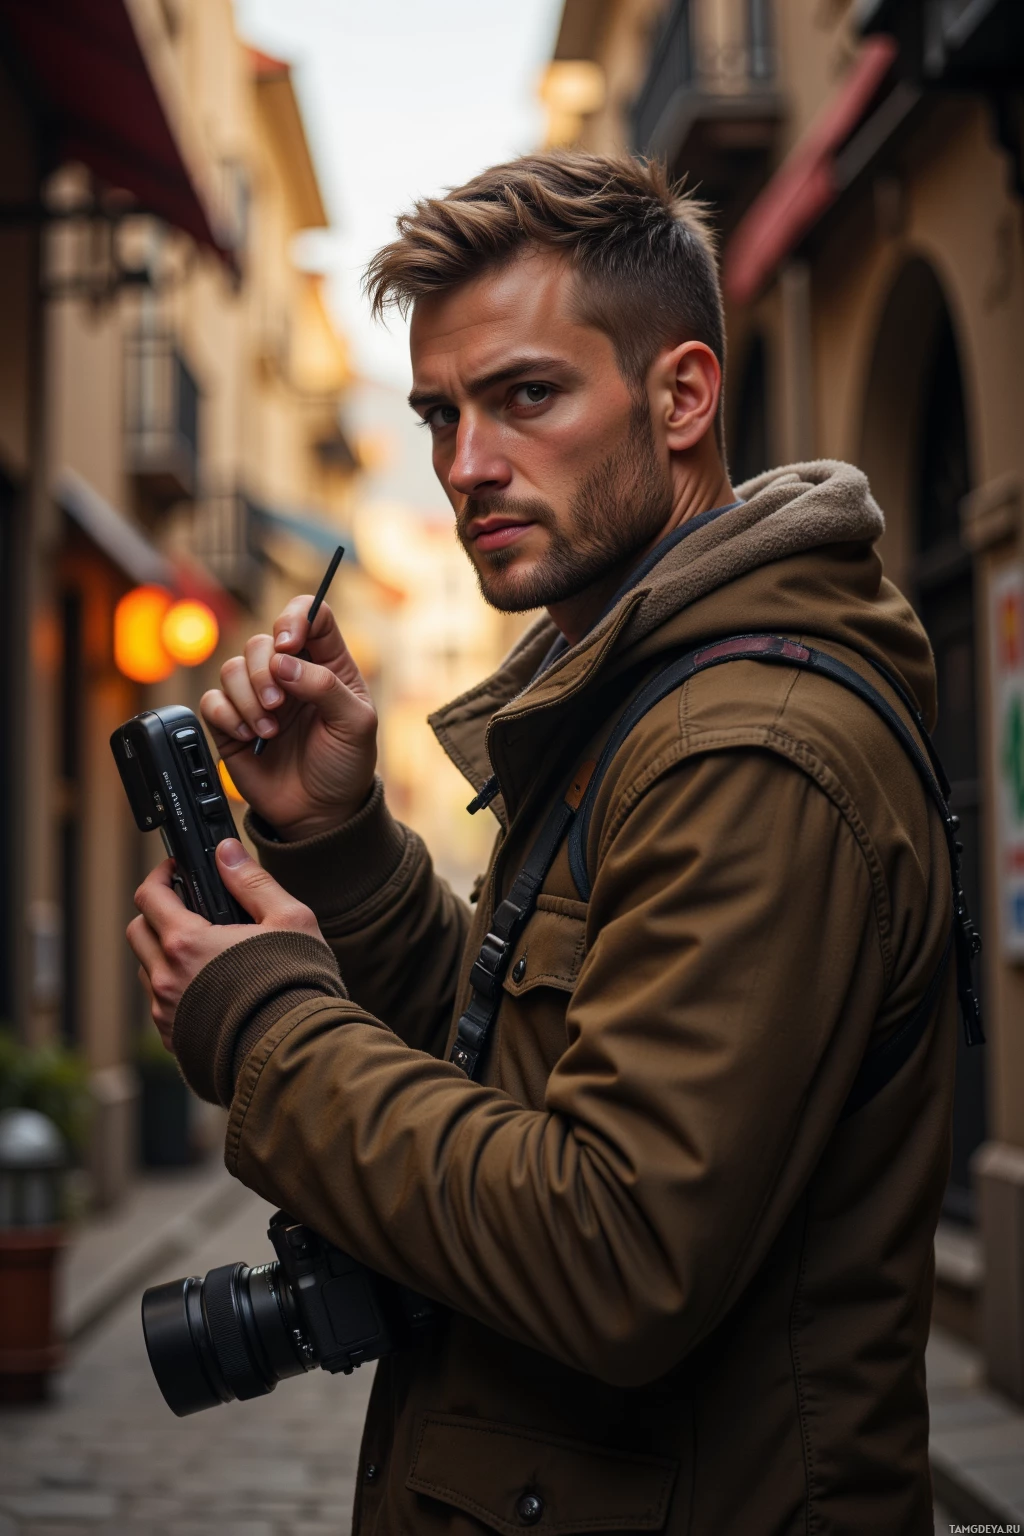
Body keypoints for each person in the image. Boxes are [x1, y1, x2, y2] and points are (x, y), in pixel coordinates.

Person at [128, 153, 956, 1535]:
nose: (465, 468)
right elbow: (510, 1062)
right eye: (439, 414)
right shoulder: (634, 697)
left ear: (682, 397)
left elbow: (617, 1252)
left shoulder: (744, 750)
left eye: (526, 397)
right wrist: (340, 843)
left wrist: (264, 1022)